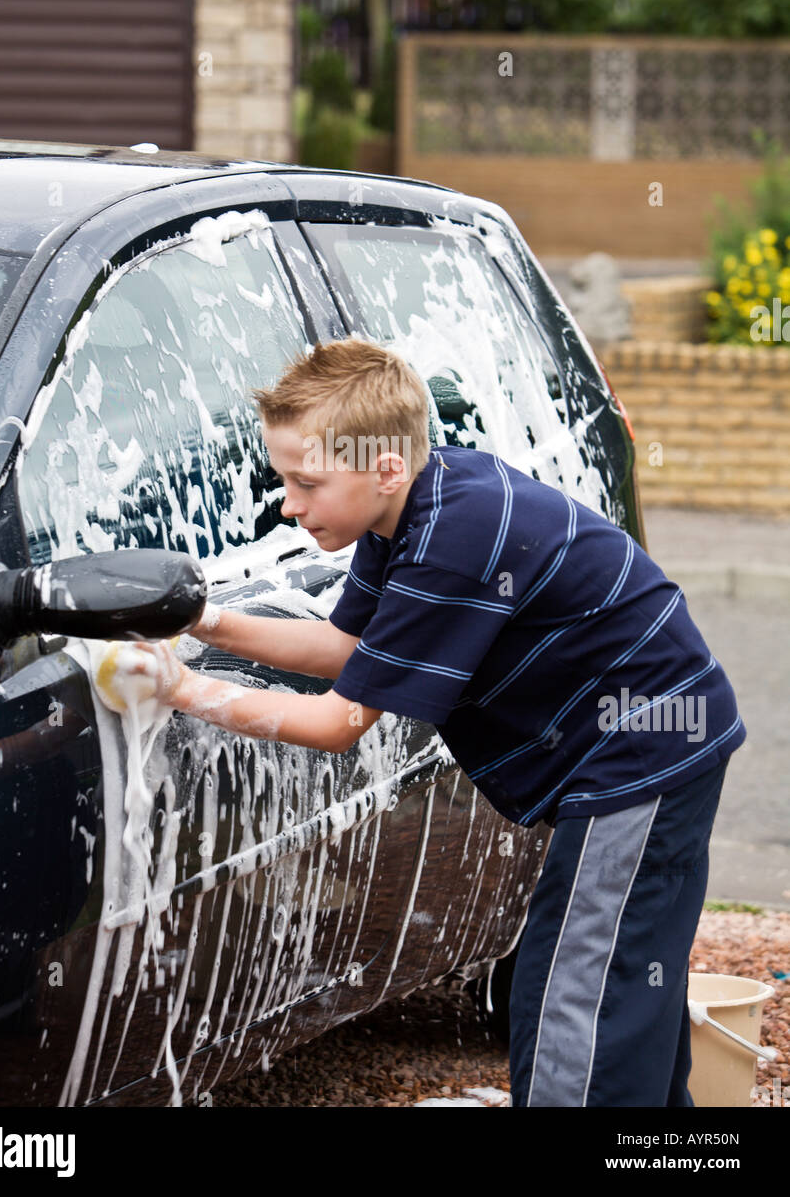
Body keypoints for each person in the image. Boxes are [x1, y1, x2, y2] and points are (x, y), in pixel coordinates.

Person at [132, 336, 746, 1107]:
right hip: (649, 742)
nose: (289, 505)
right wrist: (204, 620)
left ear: (384, 467)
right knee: (618, 991)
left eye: (306, 483)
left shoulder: (456, 539)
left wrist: (181, 691)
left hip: (641, 754)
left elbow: (338, 722)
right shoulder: (418, 505)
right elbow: (347, 647)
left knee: (576, 997)